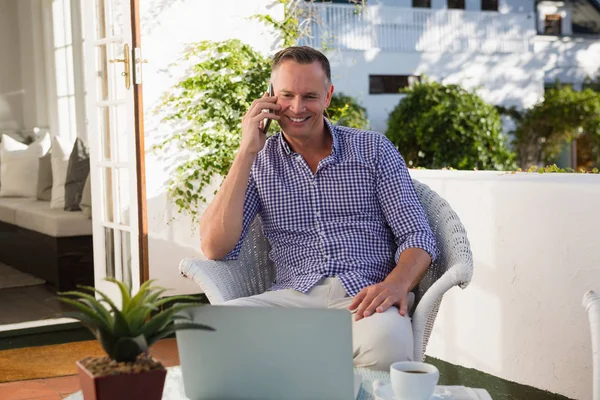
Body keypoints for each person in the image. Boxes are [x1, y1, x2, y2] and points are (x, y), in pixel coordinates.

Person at [199, 46, 438, 371]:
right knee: (209, 332)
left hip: (363, 300)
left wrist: (395, 284)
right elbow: (215, 247)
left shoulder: (373, 150)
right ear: (270, 97)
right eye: (287, 95)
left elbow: (417, 236)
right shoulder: (259, 161)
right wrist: (245, 152)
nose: (297, 108)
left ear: (328, 96)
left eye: (309, 96)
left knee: (387, 345)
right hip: (290, 300)